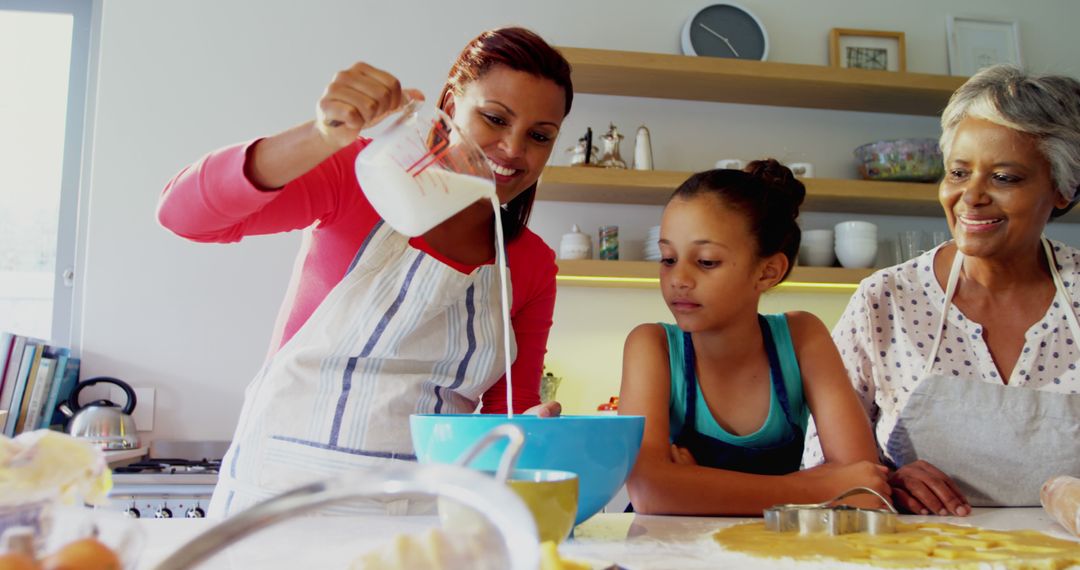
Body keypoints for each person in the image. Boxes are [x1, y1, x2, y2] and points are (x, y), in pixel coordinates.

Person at [157, 27, 572, 517]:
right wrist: (323, 134)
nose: (512, 149)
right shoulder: (359, 179)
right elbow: (184, 216)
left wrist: (534, 428)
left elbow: (508, 414)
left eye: (539, 136)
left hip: (425, 517)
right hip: (282, 503)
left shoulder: (531, 262)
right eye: (494, 118)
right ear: (450, 105)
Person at [802, 65, 1080, 515]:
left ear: (1063, 189)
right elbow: (819, 470)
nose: (971, 196)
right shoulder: (884, 301)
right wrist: (884, 481)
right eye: (957, 172)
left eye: (1005, 177)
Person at [618, 160, 889, 515]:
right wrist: (813, 487)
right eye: (668, 258)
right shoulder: (651, 346)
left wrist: (695, 484)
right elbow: (650, 492)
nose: (678, 278)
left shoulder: (802, 337)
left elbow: (864, 488)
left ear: (767, 271)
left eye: (706, 261)